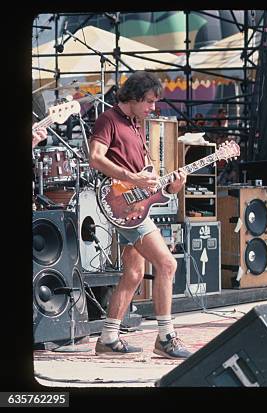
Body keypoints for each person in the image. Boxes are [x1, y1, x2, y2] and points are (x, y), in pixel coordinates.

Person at [88, 71, 191, 359]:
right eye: (148, 101)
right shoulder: (109, 119)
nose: (152, 107)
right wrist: (131, 178)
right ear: (132, 98)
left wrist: (171, 188)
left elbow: (148, 180)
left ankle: (108, 339)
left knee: (133, 274)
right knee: (167, 264)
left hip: (134, 208)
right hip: (120, 205)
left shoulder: (136, 124)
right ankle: (166, 337)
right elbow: (95, 157)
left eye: (154, 102)